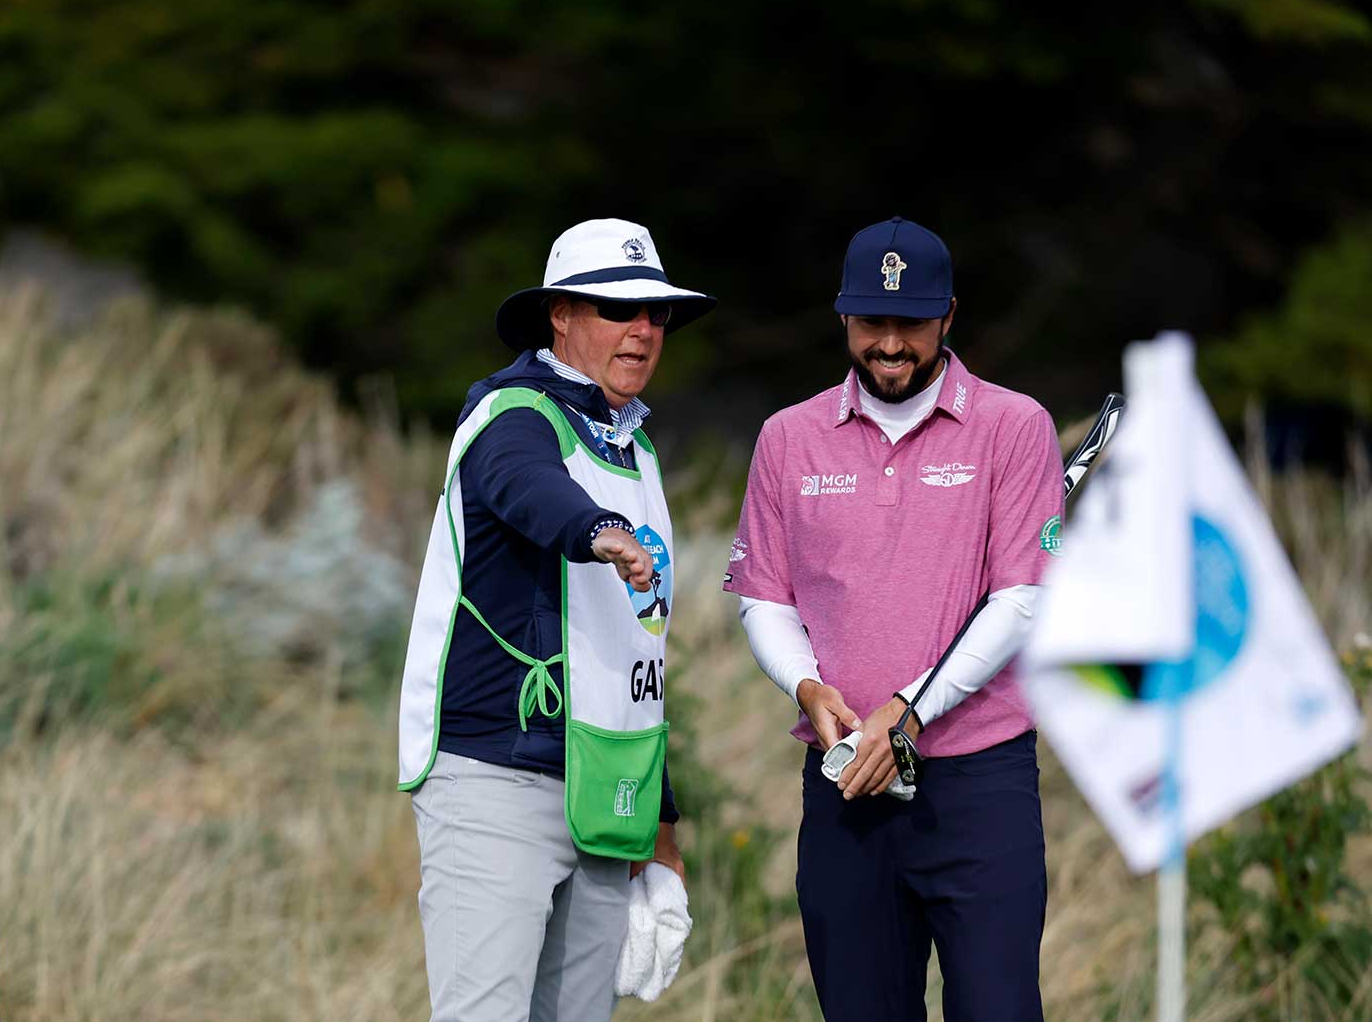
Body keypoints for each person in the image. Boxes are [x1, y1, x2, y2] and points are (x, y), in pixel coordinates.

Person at [723, 217, 1063, 1021]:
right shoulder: (787, 438)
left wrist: (906, 713)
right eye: (872, 323)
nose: (890, 344)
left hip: (980, 788)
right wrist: (807, 688)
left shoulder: (1015, 427)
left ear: (948, 317)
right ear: (844, 318)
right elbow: (764, 597)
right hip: (845, 786)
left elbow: (1020, 598)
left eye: (911, 323)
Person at [396, 218, 713, 1020]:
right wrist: (595, 530)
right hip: (495, 775)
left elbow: (636, 660)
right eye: (616, 309)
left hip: (607, 792)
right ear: (560, 316)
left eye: (656, 314)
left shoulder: (634, 451)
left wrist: (662, 830)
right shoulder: (513, 412)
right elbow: (524, 483)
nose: (641, 329)